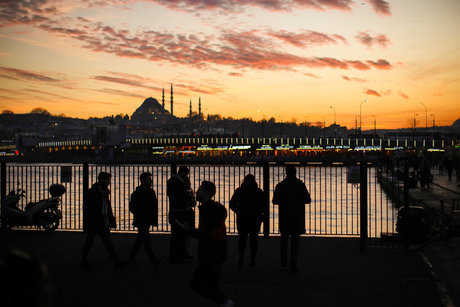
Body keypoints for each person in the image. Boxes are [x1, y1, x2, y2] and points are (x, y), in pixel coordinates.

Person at [190, 181, 234, 307]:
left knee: (197, 283)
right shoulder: (212, 208)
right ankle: (223, 301)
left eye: (200, 189)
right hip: (216, 251)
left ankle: (225, 302)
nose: (197, 191)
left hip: (210, 252)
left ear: (207, 193)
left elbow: (205, 234)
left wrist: (188, 230)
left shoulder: (208, 210)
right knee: (211, 283)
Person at [272, 165, 311, 273]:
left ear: (286, 173)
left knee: (284, 240)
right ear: (295, 172)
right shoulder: (300, 185)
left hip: (284, 215)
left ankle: (283, 263)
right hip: (297, 216)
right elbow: (308, 199)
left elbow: (274, 201)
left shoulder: (280, 185)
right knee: (295, 241)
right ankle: (293, 263)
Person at [81, 172, 122, 270]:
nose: (109, 182)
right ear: (102, 180)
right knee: (103, 240)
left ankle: (115, 259)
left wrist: (110, 217)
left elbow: (106, 206)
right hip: (97, 220)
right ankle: (115, 260)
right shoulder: (95, 192)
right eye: (107, 180)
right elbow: (94, 207)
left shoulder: (100, 191)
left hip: (100, 220)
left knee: (93, 240)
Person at [230, 174, 265, 269]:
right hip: (254, 218)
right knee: (253, 239)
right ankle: (252, 259)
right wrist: (261, 215)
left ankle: (241, 257)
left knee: (242, 239)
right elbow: (264, 206)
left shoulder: (239, 191)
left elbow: (232, 204)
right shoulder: (259, 191)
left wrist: (237, 211)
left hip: (242, 217)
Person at [128, 172, 160, 270]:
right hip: (143, 218)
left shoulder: (140, 192)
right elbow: (132, 207)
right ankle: (152, 258)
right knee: (145, 238)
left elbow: (132, 207)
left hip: (144, 218)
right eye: (149, 179)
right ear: (143, 180)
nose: (150, 181)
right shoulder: (143, 192)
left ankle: (131, 257)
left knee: (141, 237)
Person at [167, 166, 196, 263]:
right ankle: (179, 254)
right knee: (181, 234)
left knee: (177, 234)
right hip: (182, 211)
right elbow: (184, 196)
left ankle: (176, 255)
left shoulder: (172, 181)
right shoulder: (181, 183)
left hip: (176, 211)